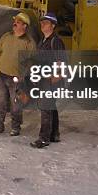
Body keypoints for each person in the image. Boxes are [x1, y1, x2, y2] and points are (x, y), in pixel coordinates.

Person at [0, 12, 36, 136]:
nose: (14, 23)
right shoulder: (6, 36)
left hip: (17, 79)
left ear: (24, 26)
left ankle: (16, 127)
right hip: (2, 76)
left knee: (16, 105)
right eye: (15, 21)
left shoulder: (29, 42)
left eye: (18, 22)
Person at [30, 12, 66, 149]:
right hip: (44, 79)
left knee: (45, 107)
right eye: (42, 22)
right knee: (51, 106)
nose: (42, 24)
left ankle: (44, 138)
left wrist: (56, 76)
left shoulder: (55, 41)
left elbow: (60, 60)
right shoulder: (43, 41)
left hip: (51, 80)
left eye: (46, 22)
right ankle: (54, 134)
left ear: (53, 25)